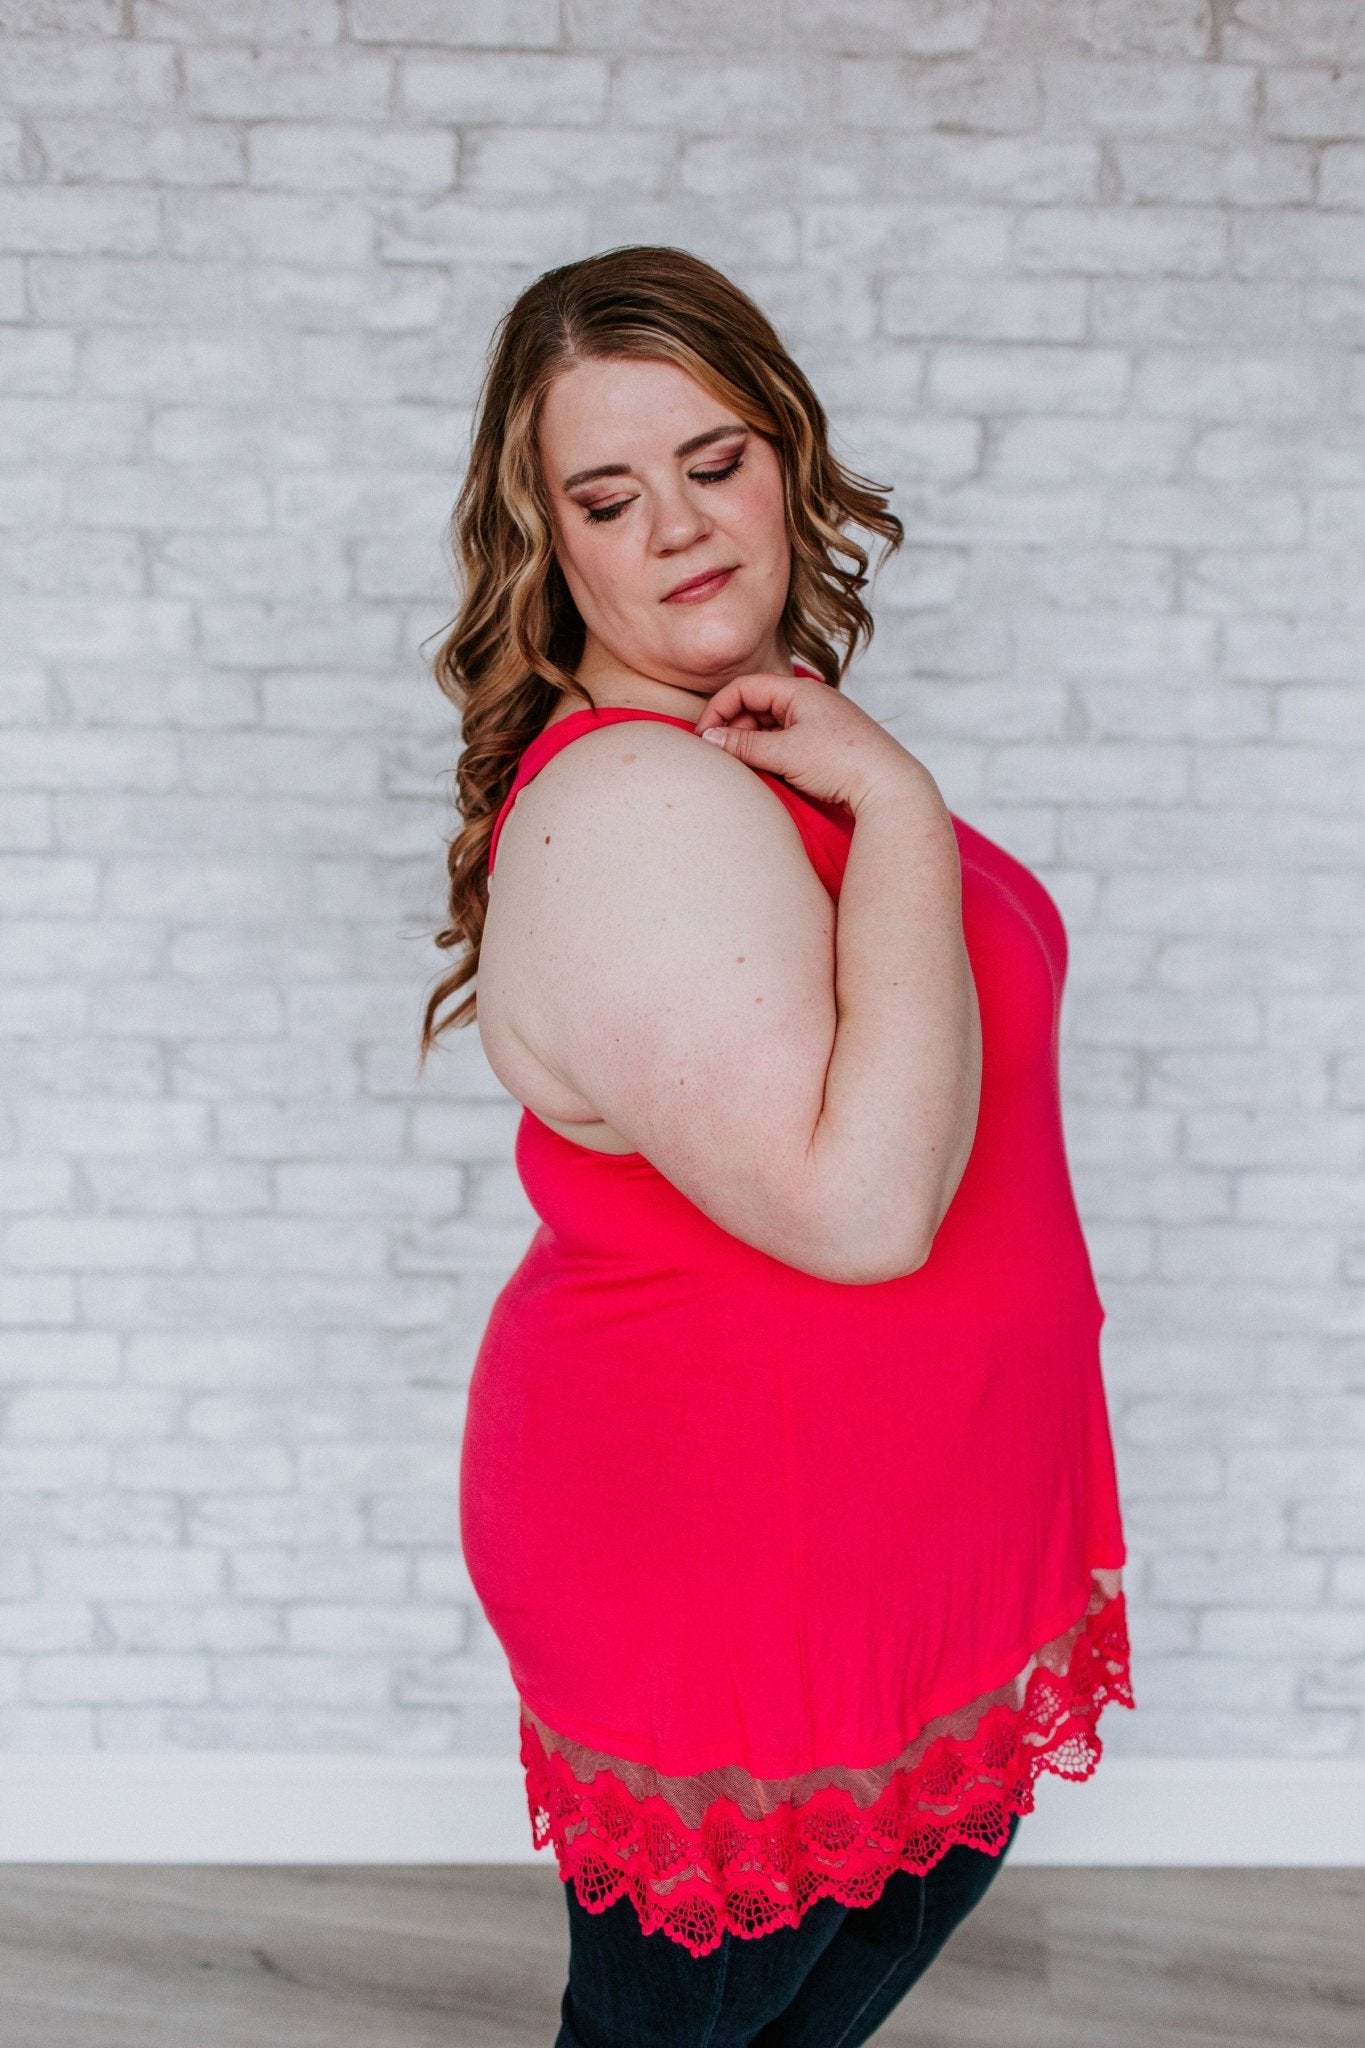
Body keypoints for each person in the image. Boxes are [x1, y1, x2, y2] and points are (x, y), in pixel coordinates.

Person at [419, 244, 1134, 2048]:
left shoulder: (753, 734)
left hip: (898, 1524)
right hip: (732, 1567)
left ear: (787, 455)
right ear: (548, 540)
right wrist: (898, 798)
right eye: (605, 494)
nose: (674, 525)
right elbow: (864, 1205)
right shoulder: (643, 799)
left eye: (712, 461)